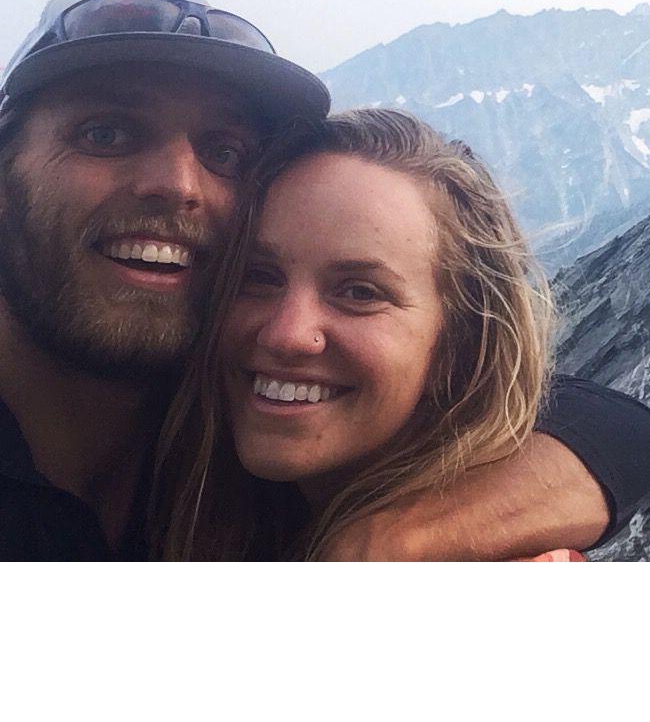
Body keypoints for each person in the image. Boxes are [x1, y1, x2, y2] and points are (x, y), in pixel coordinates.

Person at [0, 0, 650, 561]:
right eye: (106, 134)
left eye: (225, 150)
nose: (178, 185)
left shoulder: (223, 430)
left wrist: (387, 544)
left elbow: (615, 429)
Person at [157, 109, 568, 558]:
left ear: (459, 347)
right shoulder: (228, 502)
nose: (287, 334)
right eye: (260, 276)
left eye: (359, 292)